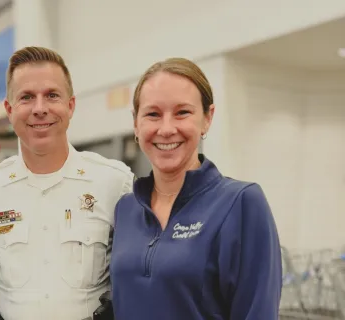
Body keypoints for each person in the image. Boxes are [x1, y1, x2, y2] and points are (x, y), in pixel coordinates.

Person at [0, 46, 134, 320]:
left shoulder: (115, 182)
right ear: (9, 109)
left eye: (52, 95)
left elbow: (139, 263)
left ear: (70, 105)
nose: (40, 109)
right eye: (27, 97)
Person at [110, 58, 282, 319]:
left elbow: (257, 311)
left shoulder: (241, 203)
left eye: (182, 112)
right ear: (136, 123)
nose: (166, 129)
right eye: (153, 114)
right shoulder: (126, 208)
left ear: (207, 118)